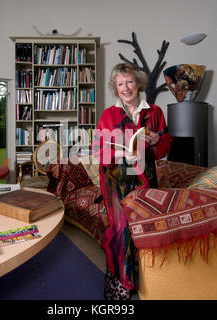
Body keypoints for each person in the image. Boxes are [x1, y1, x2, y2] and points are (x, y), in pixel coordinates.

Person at [92, 62, 172, 300]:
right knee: (120, 228)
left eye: (129, 82)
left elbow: (165, 148)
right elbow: (98, 151)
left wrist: (157, 140)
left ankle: (146, 280)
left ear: (138, 84)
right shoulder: (109, 115)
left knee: (146, 225)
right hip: (115, 177)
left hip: (145, 176)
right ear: (115, 88)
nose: (125, 88)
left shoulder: (155, 112)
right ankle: (120, 285)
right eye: (120, 84)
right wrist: (121, 154)